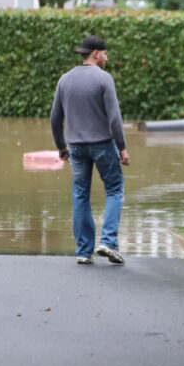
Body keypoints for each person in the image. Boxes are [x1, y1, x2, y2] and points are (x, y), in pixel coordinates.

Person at [50, 35, 130, 265]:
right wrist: (122, 147)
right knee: (114, 189)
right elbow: (115, 119)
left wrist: (61, 146)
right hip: (103, 144)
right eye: (105, 53)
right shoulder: (104, 79)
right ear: (96, 53)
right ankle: (108, 242)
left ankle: (84, 251)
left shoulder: (64, 79)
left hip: (75, 147)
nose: (107, 57)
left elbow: (55, 119)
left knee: (80, 195)